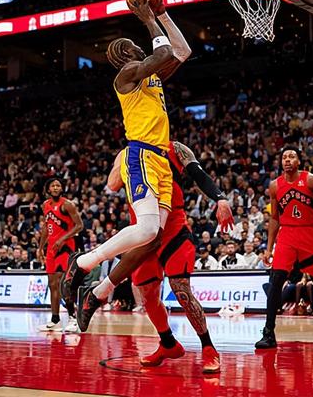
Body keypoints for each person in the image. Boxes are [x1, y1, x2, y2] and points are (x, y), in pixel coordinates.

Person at [61, 0, 192, 303]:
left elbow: (181, 51)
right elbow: (162, 53)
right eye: (134, 46)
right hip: (142, 154)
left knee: (152, 236)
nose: (140, 46)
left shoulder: (150, 78)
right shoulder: (126, 75)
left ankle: (97, 291)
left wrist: (162, 14)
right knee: (146, 230)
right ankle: (84, 263)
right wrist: (148, 19)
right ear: (125, 53)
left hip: (160, 160)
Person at [80, 140, 233, 374]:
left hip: (174, 229)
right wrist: (126, 156)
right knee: (148, 295)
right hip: (143, 233)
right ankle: (168, 343)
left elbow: (198, 174)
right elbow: (112, 184)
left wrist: (220, 198)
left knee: (181, 289)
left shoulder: (175, 148)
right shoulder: (127, 153)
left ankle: (208, 347)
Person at [255, 146, 313, 349]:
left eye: (291, 156)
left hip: (310, 234)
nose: (287, 160)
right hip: (287, 235)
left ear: (299, 161)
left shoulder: (310, 180)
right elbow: (275, 218)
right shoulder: (275, 185)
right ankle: (268, 333)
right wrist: (269, 248)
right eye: (284, 157)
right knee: (275, 281)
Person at [37, 178, 83, 333]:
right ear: (48, 189)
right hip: (52, 248)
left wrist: (63, 239)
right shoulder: (45, 205)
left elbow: (79, 225)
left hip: (66, 247)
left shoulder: (67, 205)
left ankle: (73, 318)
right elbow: (46, 227)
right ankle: (55, 320)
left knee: (64, 284)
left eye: (58, 185)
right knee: (52, 284)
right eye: (53, 186)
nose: (56, 188)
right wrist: (40, 247)